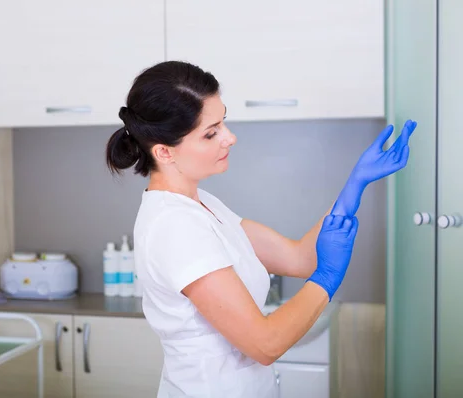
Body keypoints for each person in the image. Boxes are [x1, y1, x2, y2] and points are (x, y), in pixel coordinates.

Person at [105, 61, 416, 398]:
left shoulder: (201, 205)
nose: (230, 137)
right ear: (164, 151)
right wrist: (326, 278)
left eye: (223, 121)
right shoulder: (175, 226)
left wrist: (354, 186)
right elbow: (266, 344)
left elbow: (298, 258)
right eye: (211, 133)